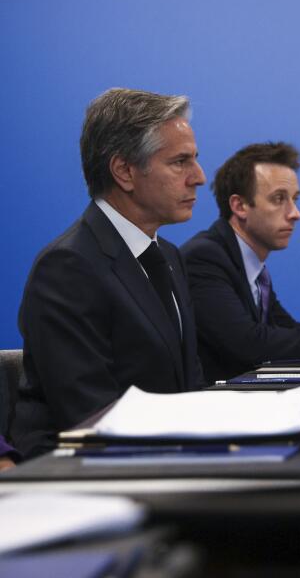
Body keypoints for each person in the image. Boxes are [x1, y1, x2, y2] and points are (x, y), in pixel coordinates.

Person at [11, 88, 208, 458]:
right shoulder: (68, 267)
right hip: (81, 478)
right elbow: (89, 415)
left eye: (195, 159)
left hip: (166, 459)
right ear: (124, 171)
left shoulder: (168, 256)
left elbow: (187, 387)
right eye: (180, 162)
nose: (199, 177)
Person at [182, 142, 300, 384]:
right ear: (240, 206)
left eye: (295, 199)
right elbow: (246, 342)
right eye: (279, 199)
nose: (295, 213)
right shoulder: (205, 258)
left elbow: (281, 329)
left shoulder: (252, 267)